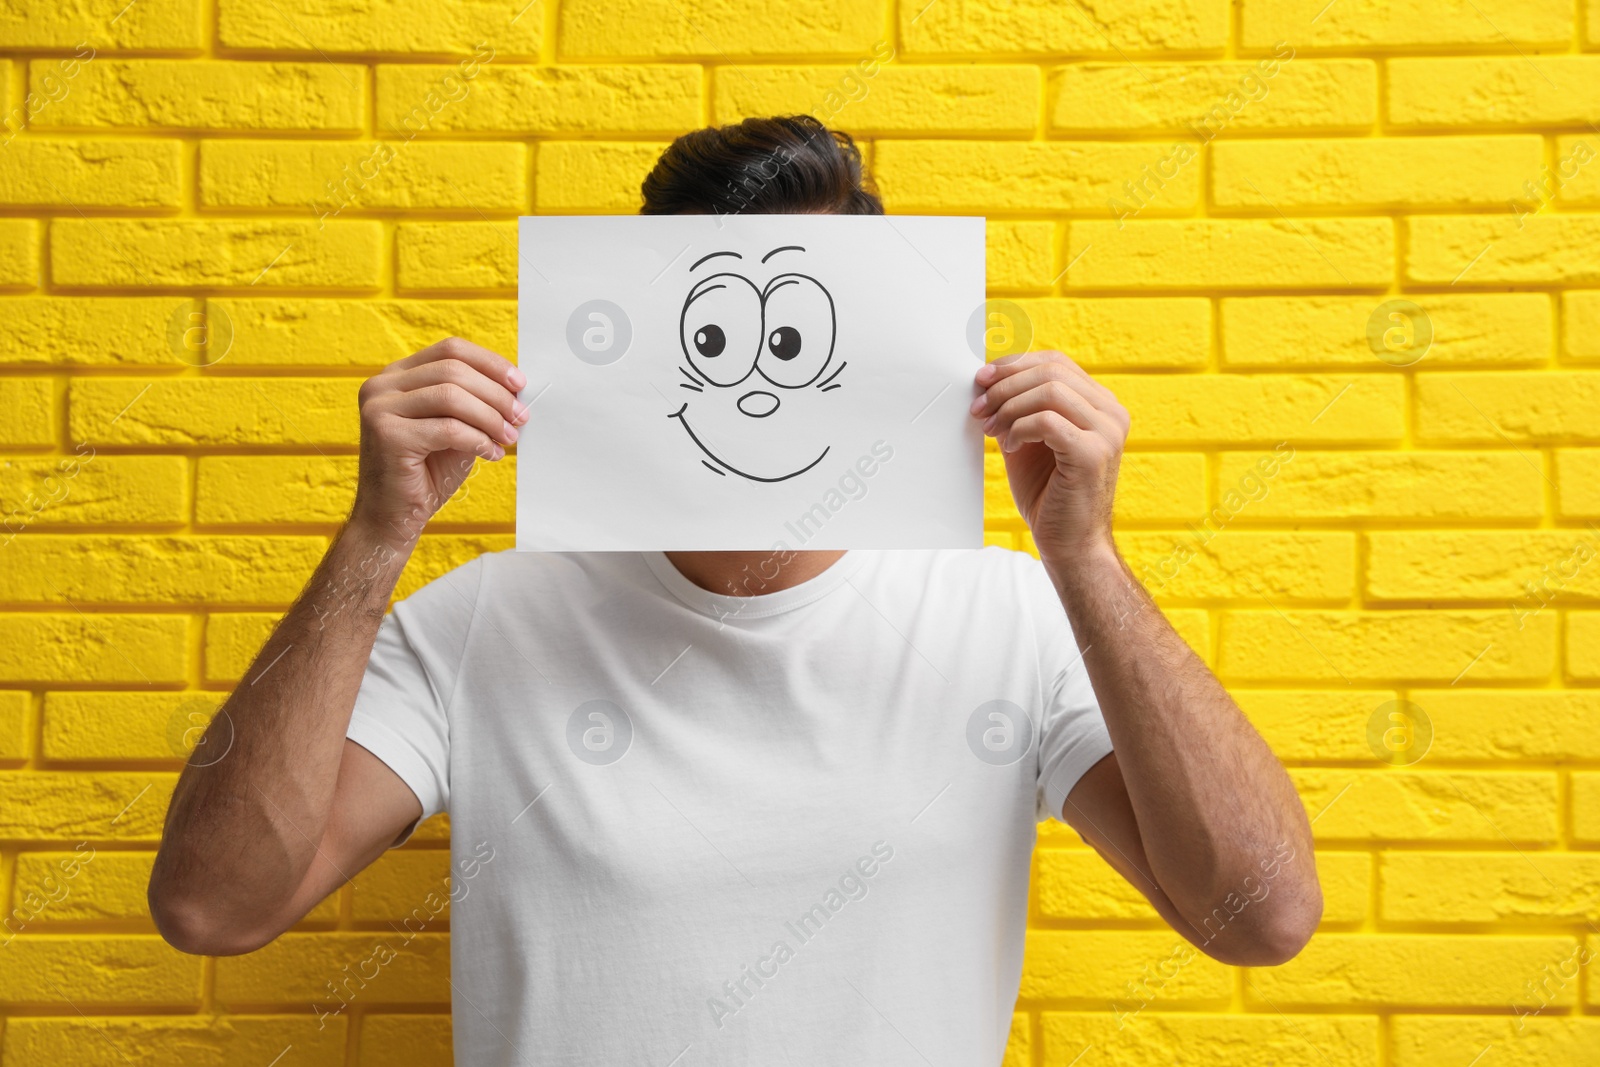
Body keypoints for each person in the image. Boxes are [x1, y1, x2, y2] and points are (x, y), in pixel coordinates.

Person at [149, 115, 1320, 1065]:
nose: (760, 389)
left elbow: (1259, 917)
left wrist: (1088, 561)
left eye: (803, 335)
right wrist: (372, 538)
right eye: (712, 335)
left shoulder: (1009, 617)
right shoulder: (482, 622)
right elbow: (214, 908)